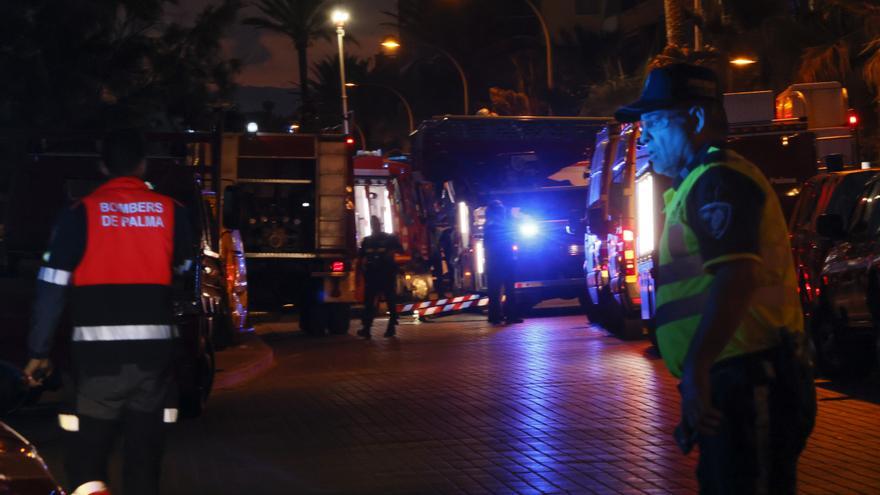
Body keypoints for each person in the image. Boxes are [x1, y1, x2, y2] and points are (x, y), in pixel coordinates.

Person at [615, 63, 816, 493]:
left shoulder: (717, 181)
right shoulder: (696, 183)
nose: (644, 137)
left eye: (653, 122)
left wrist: (699, 367)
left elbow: (736, 277)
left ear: (698, 119)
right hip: (734, 380)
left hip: (750, 378)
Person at [24, 129, 193, 495]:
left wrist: (39, 352)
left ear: (103, 167)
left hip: (96, 365)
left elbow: (51, 288)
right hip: (153, 361)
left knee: (87, 463)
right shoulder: (171, 212)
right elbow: (183, 270)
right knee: (144, 463)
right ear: (142, 164)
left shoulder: (79, 214)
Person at [358, 215, 403, 338]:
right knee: (370, 303)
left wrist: (392, 253)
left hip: (386, 274)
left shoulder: (389, 239)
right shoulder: (367, 241)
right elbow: (361, 257)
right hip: (373, 275)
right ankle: (367, 328)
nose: (374, 226)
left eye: (375, 223)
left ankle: (391, 327)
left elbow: (401, 251)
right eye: (373, 223)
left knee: (389, 301)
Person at [483, 200, 522, 324]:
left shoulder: (489, 225)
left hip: (494, 262)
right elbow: (508, 242)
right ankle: (510, 315)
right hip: (504, 261)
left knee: (495, 290)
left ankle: (495, 316)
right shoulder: (500, 226)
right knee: (509, 289)